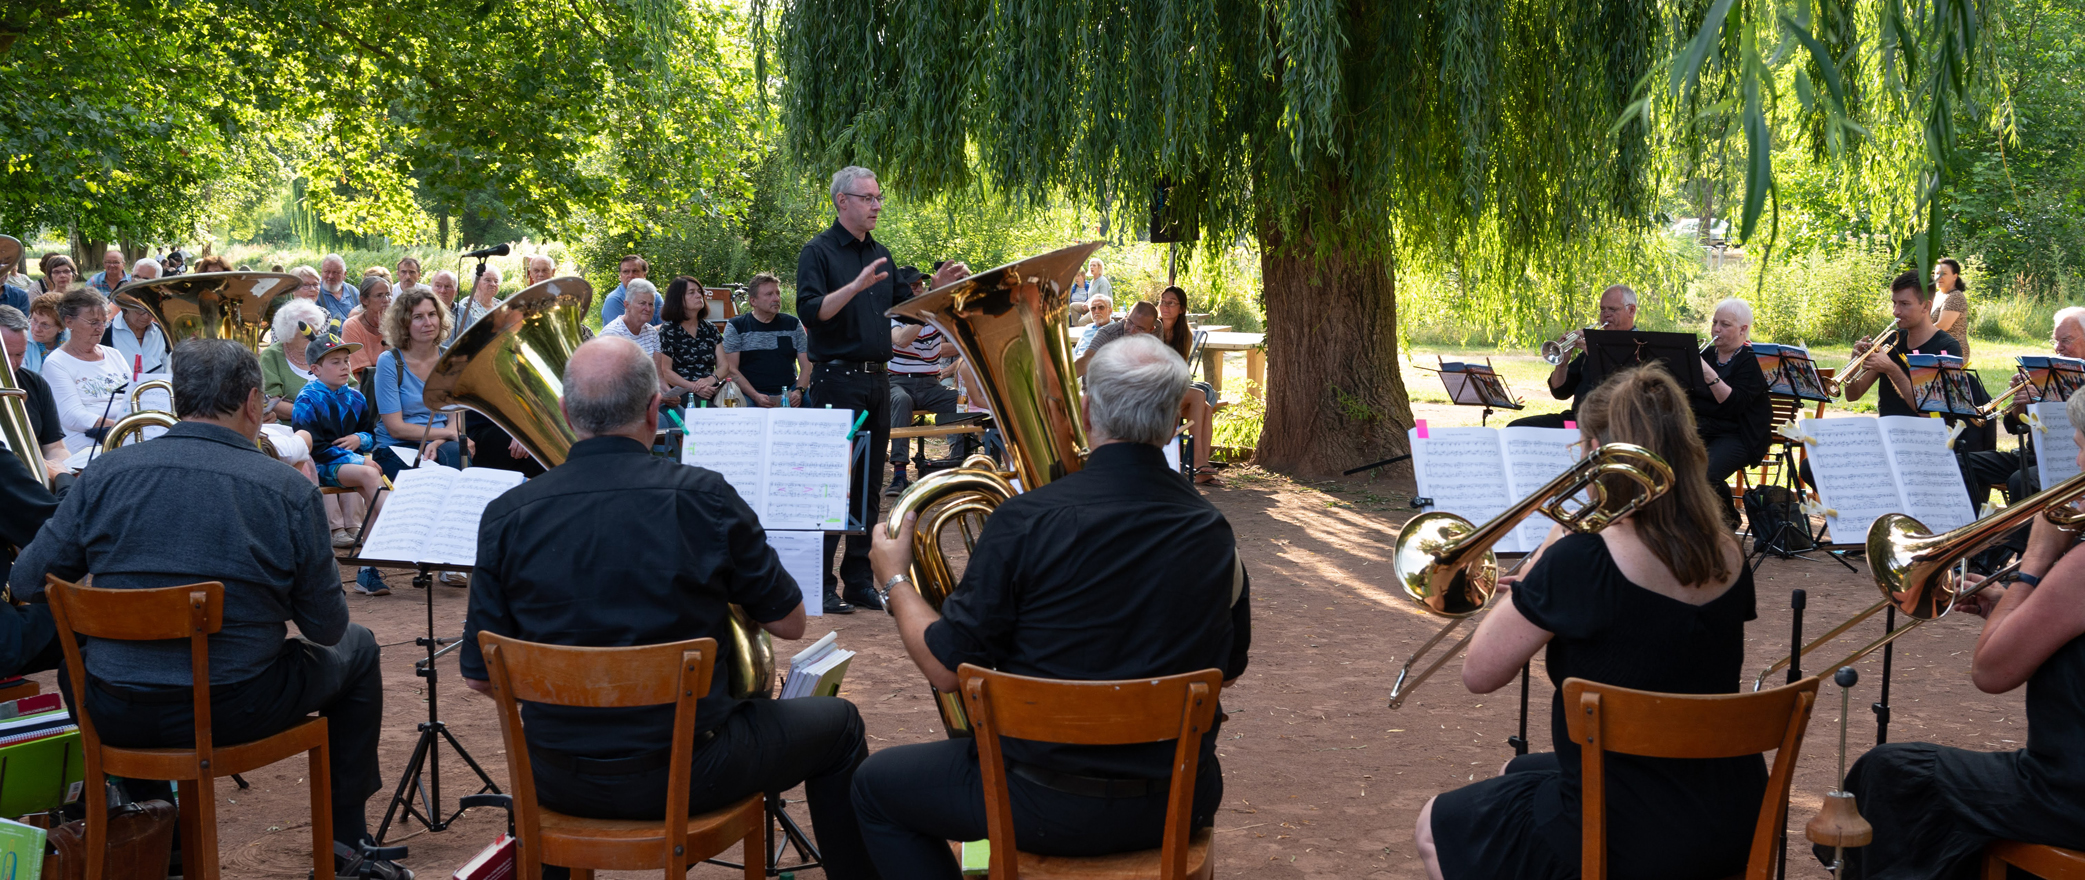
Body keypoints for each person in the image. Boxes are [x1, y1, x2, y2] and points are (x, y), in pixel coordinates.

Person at [458, 337, 878, 880]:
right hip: (695, 771)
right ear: (657, 408)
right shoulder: (704, 496)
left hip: (554, 777)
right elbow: (791, 624)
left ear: (564, 414)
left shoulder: (505, 514)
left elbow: (480, 677)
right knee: (840, 725)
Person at [8, 338, 406, 880]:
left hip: (115, 709)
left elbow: (28, 580)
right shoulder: (287, 490)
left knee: (75, 668)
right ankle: (345, 842)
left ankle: (160, 831)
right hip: (233, 706)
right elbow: (328, 626)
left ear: (177, 400)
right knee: (358, 647)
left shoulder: (103, 473)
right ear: (250, 403)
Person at [855, 334, 1252, 877]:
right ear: (1178, 418)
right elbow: (1224, 674)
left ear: (1087, 411)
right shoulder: (1214, 531)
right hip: (1178, 800)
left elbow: (946, 670)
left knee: (873, 789)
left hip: (1039, 803)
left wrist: (896, 578)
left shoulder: (1023, 521)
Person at [1416, 363, 1758, 880]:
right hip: (1726, 809)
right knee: (1516, 771)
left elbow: (1478, 674)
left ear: (1601, 454)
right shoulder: (1730, 555)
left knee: (1433, 826)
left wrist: (1555, 546)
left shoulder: (1581, 559)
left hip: (1623, 825)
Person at [1820, 389, 2085, 878]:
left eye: (2081, 447)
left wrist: (2034, 565)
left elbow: (1990, 672)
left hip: (2066, 791)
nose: (2075, 461)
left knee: (1891, 773)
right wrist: (2008, 606)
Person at [795, 165, 968, 613]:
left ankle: (857, 581)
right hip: (836, 378)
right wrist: (853, 287)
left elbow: (906, 314)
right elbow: (812, 313)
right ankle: (822, 584)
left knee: (869, 485)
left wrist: (937, 291)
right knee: (837, 483)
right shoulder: (818, 252)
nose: (876, 205)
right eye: (868, 197)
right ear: (842, 201)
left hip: (878, 379)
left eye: (878, 197)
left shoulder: (882, 254)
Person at [292, 331, 384, 569]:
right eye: (335, 362)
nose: (344, 367)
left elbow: (370, 435)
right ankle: (395, 521)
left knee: (370, 485)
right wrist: (359, 460)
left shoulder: (356, 397)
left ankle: (368, 568)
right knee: (369, 473)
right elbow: (314, 448)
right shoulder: (307, 399)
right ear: (315, 369)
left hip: (350, 465)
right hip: (319, 466)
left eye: (346, 361)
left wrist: (357, 438)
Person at [1508, 284, 1639, 429]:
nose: (1605, 315)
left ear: (1631, 310)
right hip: (1576, 422)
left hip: (1612, 425)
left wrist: (1596, 354)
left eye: (1612, 309)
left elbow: (1630, 395)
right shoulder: (1593, 347)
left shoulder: (1641, 347)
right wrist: (1562, 364)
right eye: (1602, 309)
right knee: (1519, 427)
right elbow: (1560, 392)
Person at [373, 288, 468, 479]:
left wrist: (440, 440)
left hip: (440, 441)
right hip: (396, 446)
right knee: (425, 480)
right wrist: (447, 435)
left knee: (457, 462)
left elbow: (455, 422)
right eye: (418, 317)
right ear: (404, 324)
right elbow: (396, 428)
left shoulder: (451, 359)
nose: (428, 323)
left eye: (432, 314)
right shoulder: (389, 362)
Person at [1844, 271, 1961, 417]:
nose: (1895, 311)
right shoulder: (1892, 341)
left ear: (1925, 306)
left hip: (1925, 435)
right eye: (1894, 303)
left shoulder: (1947, 347)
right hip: (1888, 432)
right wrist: (1854, 364)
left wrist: (1892, 370)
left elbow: (1931, 412)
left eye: (1904, 304)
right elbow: (1853, 395)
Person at [1692, 297, 1770, 511]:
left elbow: (1733, 405)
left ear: (1743, 329)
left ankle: (1727, 519)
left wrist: (1708, 373)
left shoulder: (1753, 360)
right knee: (1669, 464)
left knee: (1705, 474)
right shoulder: (1706, 354)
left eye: (1724, 325)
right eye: (1714, 323)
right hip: (1704, 428)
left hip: (1739, 434)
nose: (1716, 329)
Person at [39, 289, 131, 452]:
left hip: (125, 432)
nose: (100, 328)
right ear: (69, 322)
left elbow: (133, 397)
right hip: (87, 441)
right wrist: (123, 428)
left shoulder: (113, 354)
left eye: (104, 321)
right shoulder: (56, 362)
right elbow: (72, 416)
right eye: (93, 322)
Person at [885, 314, 964, 496]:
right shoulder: (894, 317)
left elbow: (958, 342)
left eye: (920, 285)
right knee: (901, 400)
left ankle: (957, 464)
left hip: (931, 384)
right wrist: (923, 316)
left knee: (962, 403)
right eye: (913, 286)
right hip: (898, 382)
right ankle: (900, 474)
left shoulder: (935, 318)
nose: (918, 289)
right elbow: (901, 340)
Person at [1156, 285, 1219, 484]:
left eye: (1171, 303)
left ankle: (1200, 470)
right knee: (1199, 396)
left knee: (1207, 408)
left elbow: (1180, 370)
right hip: (1151, 390)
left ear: (1181, 309)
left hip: (1170, 388)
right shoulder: (1152, 328)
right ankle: (1199, 462)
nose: (1165, 306)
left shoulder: (1185, 334)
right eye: (1162, 301)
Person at [721, 272, 812, 408]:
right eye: (769, 294)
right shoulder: (737, 326)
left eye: (777, 293)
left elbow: (807, 365)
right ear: (753, 301)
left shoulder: (793, 324)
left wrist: (799, 391)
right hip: (749, 392)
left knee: (815, 399)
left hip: (789, 389)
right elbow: (731, 370)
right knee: (740, 408)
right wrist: (755, 396)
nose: (776, 298)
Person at [0, 306, 66, 471]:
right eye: (5, 355)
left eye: (19, 355)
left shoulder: (35, 383)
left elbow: (55, 447)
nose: (13, 364)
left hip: (34, 476)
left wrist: (62, 471)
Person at [656, 276, 725, 404]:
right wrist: (694, 387)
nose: (699, 295)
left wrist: (710, 380)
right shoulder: (668, 330)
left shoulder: (710, 329)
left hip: (711, 389)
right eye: (692, 292)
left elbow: (724, 365)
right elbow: (666, 371)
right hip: (682, 393)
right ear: (678, 299)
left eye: (699, 291)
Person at [104, 289, 168, 375]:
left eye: (151, 311)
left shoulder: (161, 332)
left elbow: (169, 369)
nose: (146, 316)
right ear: (125, 307)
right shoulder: (107, 334)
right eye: (140, 310)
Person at [342, 277, 393, 383]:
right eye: (379, 296)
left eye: (388, 295)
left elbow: (401, 363)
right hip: (364, 386)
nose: (386, 300)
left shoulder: (397, 323)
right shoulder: (352, 326)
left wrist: (387, 334)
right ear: (364, 300)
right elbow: (365, 373)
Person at [598, 277, 661, 355]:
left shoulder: (652, 333)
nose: (648, 309)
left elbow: (657, 366)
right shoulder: (612, 334)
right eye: (642, 303)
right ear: (627, 305)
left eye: (651, 304)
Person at [600, 254, 664, 327]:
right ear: (620, 276)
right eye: (626, 271)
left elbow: (666, 325)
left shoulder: (655, 297)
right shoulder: (614, 300)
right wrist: (653, 332)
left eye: (635, 271)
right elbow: (620, 333)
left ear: (644, 275)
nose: (630, 275)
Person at [1931, 257, 1973, 363]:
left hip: (1952, 351)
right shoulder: (1936, 296)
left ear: (1955, 276)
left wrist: (1917, 334)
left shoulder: (1955, 296)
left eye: (1944, 273)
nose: (1939, 277)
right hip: (1936, 348)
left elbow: (1943, 326)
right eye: (1936, 273)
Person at [451, 266, 503, 343]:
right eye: (488, 280)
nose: (493, 284)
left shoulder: (500, 305)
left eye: (496, 281)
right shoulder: (466, 305)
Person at [21, 292, 64, 375]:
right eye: (34, 320)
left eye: (45, 325)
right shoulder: (21, 340)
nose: (36, 329)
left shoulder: (72, 341)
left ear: (61, 327)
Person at [315, 254, 359, 324]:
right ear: (321, 272)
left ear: (344, 274)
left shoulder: (353, 292)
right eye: (327, 271)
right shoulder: (315, 291)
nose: (330, 276)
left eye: (335, 273)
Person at [1072, 293, 1115, 358]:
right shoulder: (1088, 328)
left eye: (1101, 307)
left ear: (1110, 310)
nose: (1097, 311)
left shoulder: (1116, 330)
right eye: (1093, 308)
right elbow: (1076, 352)